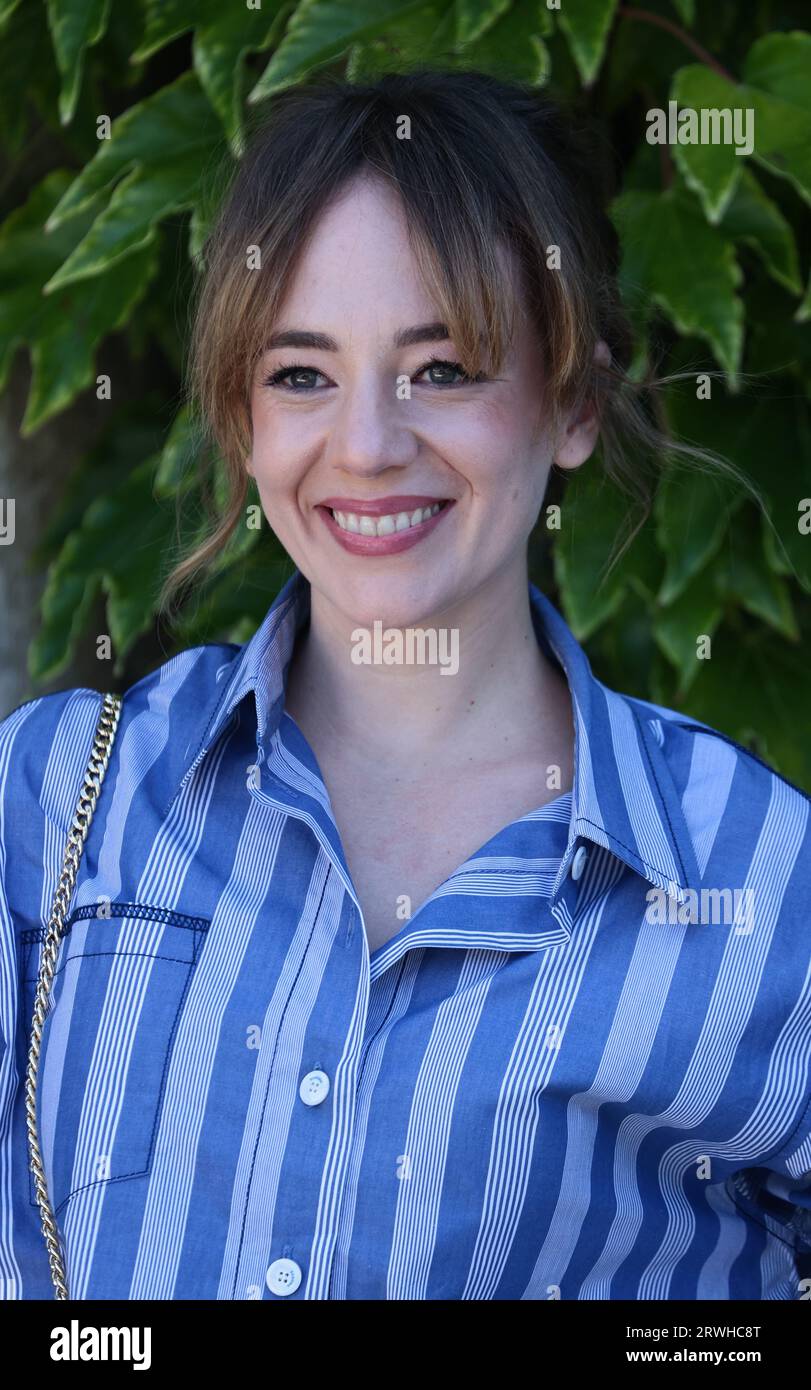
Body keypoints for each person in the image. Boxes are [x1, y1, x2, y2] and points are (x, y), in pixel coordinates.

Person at [1, 68, 810, 1302]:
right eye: (301, 374)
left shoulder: (759, 882)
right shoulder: (55, 800)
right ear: (240, 418)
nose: (368, 446)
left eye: (444, 368)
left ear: (577, 399)